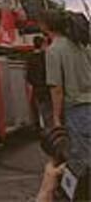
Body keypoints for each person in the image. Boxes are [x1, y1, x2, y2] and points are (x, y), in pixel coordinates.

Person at [39, 10, 91, 179]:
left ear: (45, 26)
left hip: (76, 110)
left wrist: (55, 118)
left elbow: (57, 89)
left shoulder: (54, 50)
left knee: (80, 161)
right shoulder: (79, 46)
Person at [27, 35, 53, 129]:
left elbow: (29, 78)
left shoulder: (30, 59)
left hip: (37, 92)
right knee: (51, 117)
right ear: (43, 44)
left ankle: (45, 133)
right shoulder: (46, 57)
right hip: (48, 91)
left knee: (43, 115)